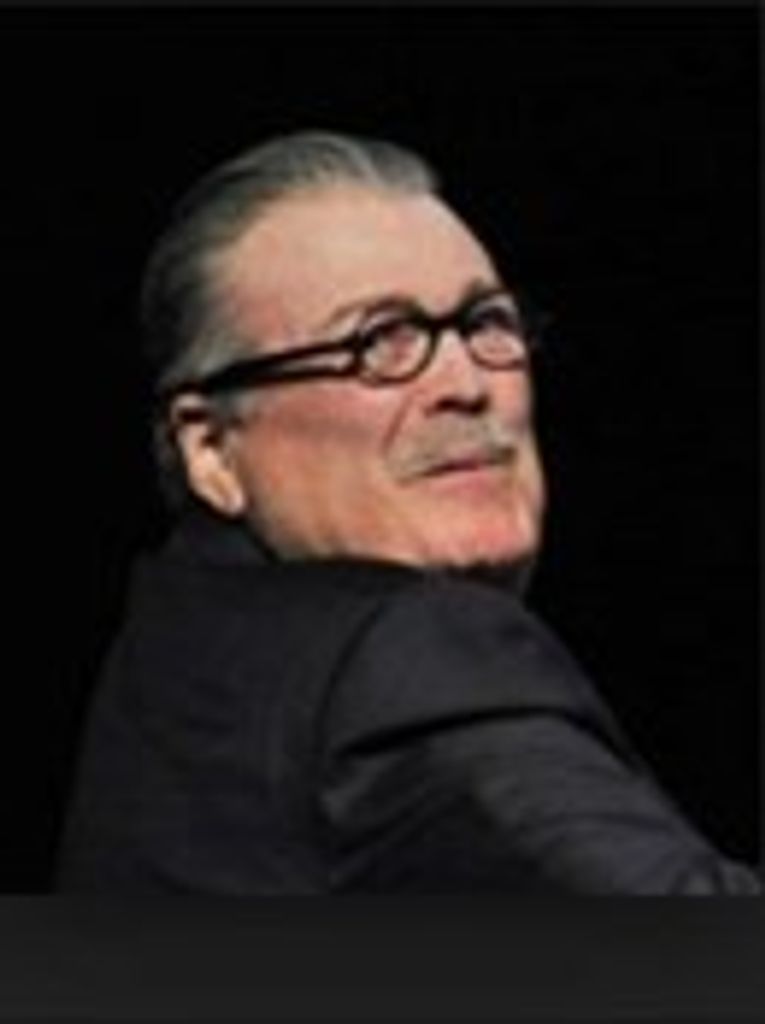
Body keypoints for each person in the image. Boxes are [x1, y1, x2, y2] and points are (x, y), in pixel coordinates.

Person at [56, 130, 760, 894]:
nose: (465, 384)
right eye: (379, 340)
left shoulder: (171, 650)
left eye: (486, 323)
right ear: (211, 449)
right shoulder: (408, 653)